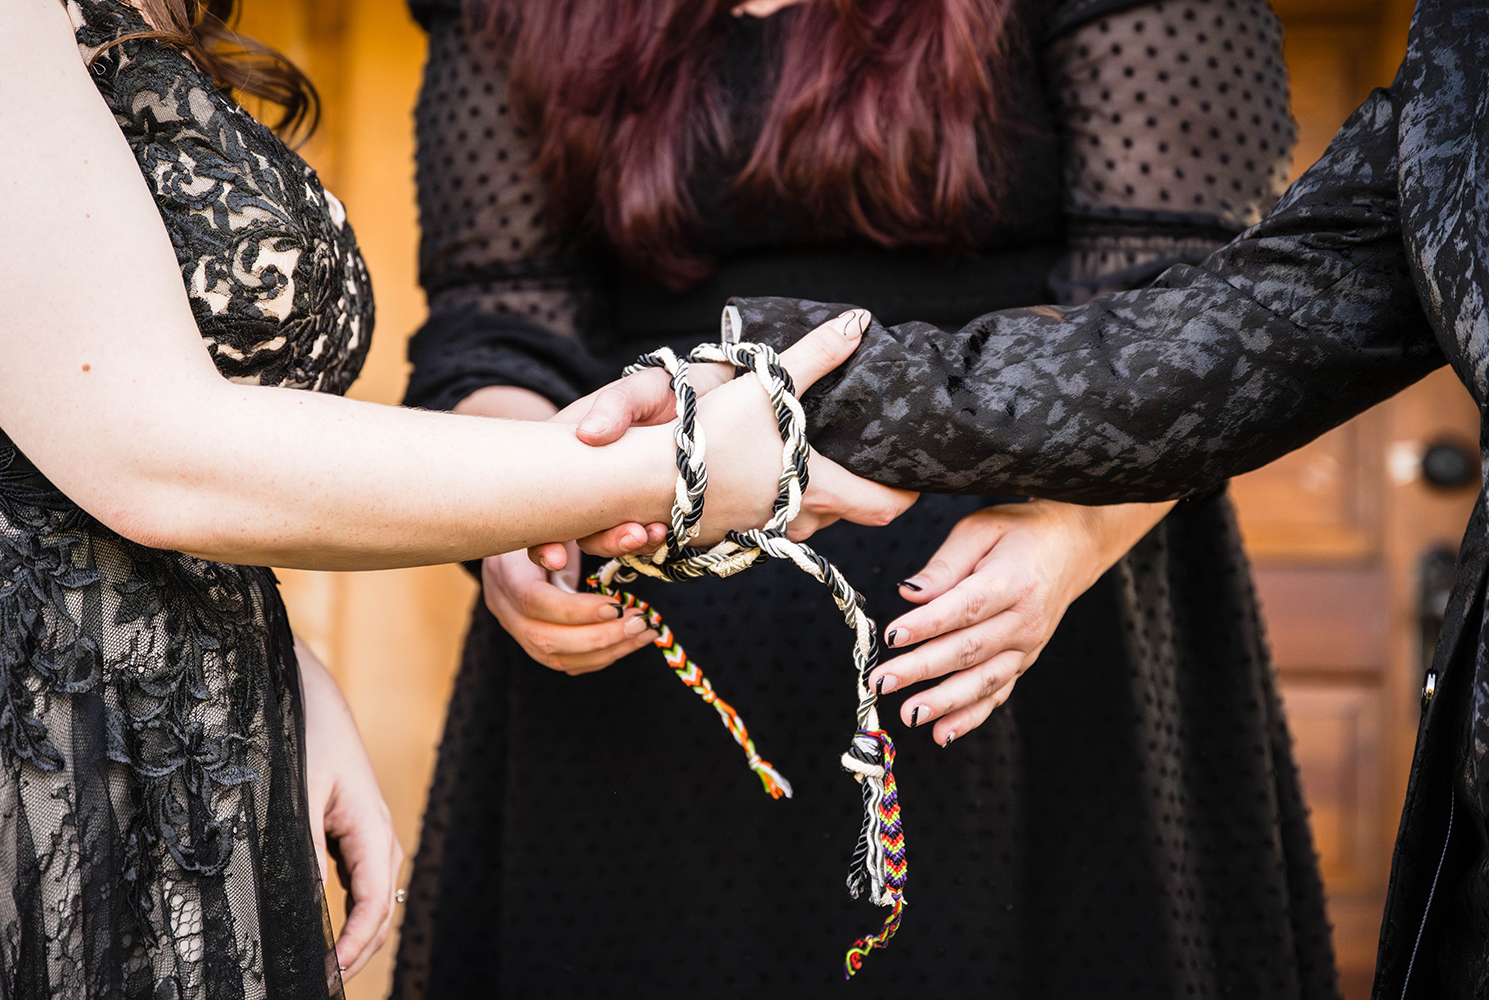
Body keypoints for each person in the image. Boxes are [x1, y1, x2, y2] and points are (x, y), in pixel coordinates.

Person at [393, 1, 1339, 998]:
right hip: (630, 689)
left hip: (1041, 642)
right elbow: (494, 325)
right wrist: (512, 513)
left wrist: (1072, 536)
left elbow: (1192, 325)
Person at [0, 2, 896, 997]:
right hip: (34, 781)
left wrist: (275, 655)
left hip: (181, 754)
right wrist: (667, 470)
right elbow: (146, 443)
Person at [634, 1, 1489, 994]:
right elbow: (1273, 312)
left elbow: (1204, 297)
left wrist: (790, 401)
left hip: (1041, 703)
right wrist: (807, 393)